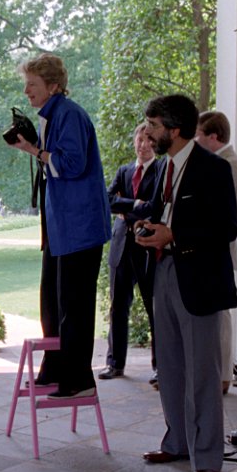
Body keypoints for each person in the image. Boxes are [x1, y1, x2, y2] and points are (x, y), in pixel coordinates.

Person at [135, 94, 237, 472]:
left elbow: (226, 228)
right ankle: (176, 442)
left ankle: (208, 458)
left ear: (175, 130)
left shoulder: (215, 169)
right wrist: (149, 227)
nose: (147, 132)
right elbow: (168, 213)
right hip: (165, 272)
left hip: (200, 281)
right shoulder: (163, 167)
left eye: (154, 125)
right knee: (172, 367)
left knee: (202, 374)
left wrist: (175, 234)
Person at [7, 53, 111, 399]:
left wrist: (35, 152)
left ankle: (79, 379)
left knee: (75, 306)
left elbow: (71, 164)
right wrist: (32, 148)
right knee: (52, 303)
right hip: (60, 226)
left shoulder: (69, 114)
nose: (26, 91)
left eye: (32, 85)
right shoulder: (50, 117)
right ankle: (54, 369)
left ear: (53, 86)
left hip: (80, 227)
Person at [101, 124, 159, 382]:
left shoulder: (162, 171)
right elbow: (107, 199)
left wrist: (129, 209)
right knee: (118, 307)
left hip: (148, 249)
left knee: (154, 309)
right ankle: (115, 364)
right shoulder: (124, 171)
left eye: (149, 140)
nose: (143, 144)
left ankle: (161, 368)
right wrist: (136, 204)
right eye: (139, 138)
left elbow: (154, 208)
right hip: (122, 246)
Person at [195, 111, 237, 394]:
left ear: (213, 137)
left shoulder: (232, 164)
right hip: (209, 248)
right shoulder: (218, 163)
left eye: (199, 135)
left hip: (219, 249)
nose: (195, 141)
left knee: (220, 314)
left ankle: (224, 374)